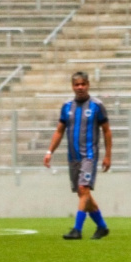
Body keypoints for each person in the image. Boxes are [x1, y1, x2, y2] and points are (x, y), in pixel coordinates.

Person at [44, 72, 112, 240]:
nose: (80, 87)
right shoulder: (67, 107)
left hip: (89, 155)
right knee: (84, 194)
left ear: (88, 85)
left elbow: (107, 131)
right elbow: (59, 131)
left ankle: (77, 229)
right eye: (76, 85)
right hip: (73, 157)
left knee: (83, 189)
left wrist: (108, 155)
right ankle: (102, 227)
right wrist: (49, 151)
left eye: (83, 84)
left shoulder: (97, 106)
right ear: (72, 86)